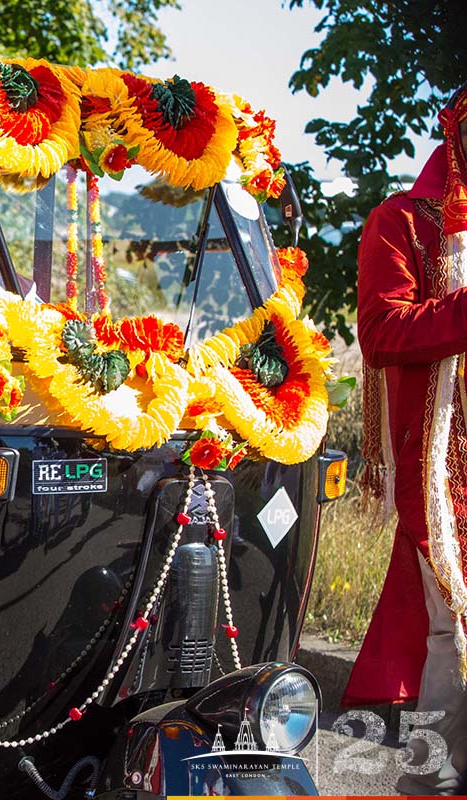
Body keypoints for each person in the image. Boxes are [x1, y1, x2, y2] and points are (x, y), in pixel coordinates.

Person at [351, 85, 467, 795]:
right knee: (452, 640)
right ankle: (431, 781)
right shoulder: (401, 222)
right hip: (442, 472)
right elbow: (381, 330)